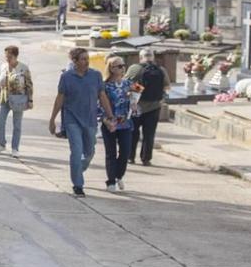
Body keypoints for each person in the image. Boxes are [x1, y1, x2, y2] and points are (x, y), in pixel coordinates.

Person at [48, 47, 103, 197]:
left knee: (90, 151)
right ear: (75, 61)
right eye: (83, 59)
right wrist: (53, 119)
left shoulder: (96, 75)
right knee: (76, 151)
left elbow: (102, 95)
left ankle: (79, 168)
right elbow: (60, 98)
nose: (86, 62)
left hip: (90, 119)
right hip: (72, 119)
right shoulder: (66, 77)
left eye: (87, 59)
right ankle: (78, 185)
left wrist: (109, 115)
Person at [99, 54, 138, 191]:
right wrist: (106, 120)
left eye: (123, 65)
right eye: (119, 66)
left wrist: (134, 102)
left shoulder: (127, 83)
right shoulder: (105, 85)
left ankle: (118, 176)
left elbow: (139, 91)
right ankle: (110, 181)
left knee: (125, 152)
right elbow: (99, 105)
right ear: (111, 68)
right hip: (109, 123)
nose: (122, 68)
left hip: (125, 123)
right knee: (111, 152)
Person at [0, 44, 33, 154]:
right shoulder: (3, 66)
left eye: (10, 57)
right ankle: (1, 144)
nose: (7, 59)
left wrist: (30, 100)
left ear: (16, 56)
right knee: (0, 122)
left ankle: (15, 148)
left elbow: (29, 85)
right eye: (6, 56)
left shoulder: (23, 68)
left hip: (18, 99)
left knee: (17, 124)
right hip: (4, 98)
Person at [135, 52, 169, 165]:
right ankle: (146, 158)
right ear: (153, 58)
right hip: (154, 106)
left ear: (140, 58)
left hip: (137, 106)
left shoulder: (135, 68)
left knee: (133, 133)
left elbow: (127, 84)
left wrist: (140, 91)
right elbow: (167, 86)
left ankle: (130, 156)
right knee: (149, 134)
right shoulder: (161, 70)